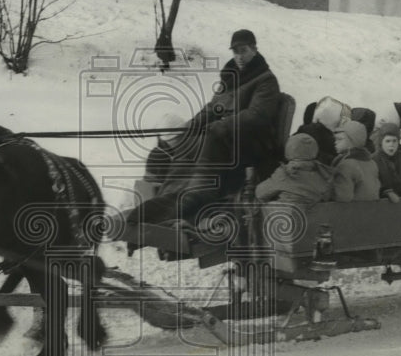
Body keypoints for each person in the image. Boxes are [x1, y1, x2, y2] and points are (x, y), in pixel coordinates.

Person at [128, 29, 281, 227]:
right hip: (224, 137)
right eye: (235, 52)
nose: (239, 57)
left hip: (251, 143)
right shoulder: (231, 76)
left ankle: (194, 198)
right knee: (189, 141)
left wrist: (221, 126)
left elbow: (257, 115)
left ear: (254, 49)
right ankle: (167, 200)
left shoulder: (265, 80)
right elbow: (213, 108)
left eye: (243, 51)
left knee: (208, 138)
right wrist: (190, 126)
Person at [255, 133, 333, 210]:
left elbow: (260, 193)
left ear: (289, 149)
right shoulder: (324, 174)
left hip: (285, 218)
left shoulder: (285, 173)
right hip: (315, 219)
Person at [330, 121, 380, 202]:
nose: (335, 142)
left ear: (352, 141)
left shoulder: (346, 165)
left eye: (339, 139)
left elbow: (343, 197)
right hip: (371, 211)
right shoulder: (372, 163)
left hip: (350, 212)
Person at [373, 122, 401, 202]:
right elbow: (373, 182)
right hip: (383, 204)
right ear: (381, 142)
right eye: (387, 141)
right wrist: (386, 192)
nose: (391, 144)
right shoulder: (374, 160)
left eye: (394, 141)